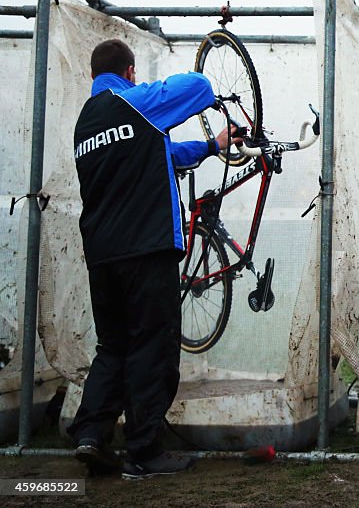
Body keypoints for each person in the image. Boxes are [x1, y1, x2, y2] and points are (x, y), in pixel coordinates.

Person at [69, 38, 242, 480]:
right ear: (128, 73)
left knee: (113, 348)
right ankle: (145, 453)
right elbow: (199, 86)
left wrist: (210, 146)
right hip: (146, 249)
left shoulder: (86, 122)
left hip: (102, 256)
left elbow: (161, 153)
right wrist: (152, 88)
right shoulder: (134, 103)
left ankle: (91, 435)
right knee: (152, 346)